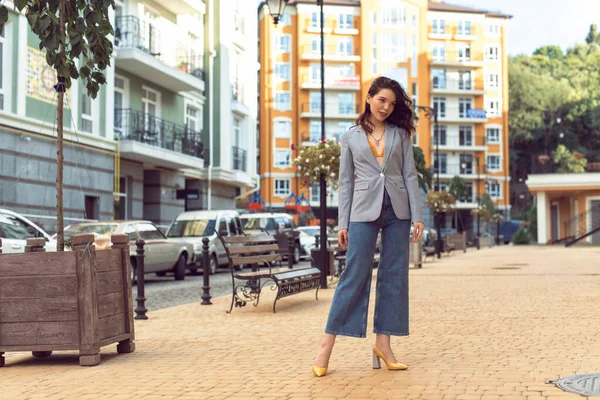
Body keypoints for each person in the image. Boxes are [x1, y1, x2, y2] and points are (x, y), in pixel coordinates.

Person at [312, 76, 424, 377]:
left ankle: (383, 345)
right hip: (362, 210)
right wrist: (342, 222)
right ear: (369, 98)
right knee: (353, 274)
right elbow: (345, 182)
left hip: (398, 210)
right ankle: (326, 346)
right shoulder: (350, 137)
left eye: (391, 103)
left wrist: (417, 215)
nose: (386, 107)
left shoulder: (400, 135)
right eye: (381, 100)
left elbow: (410, 176)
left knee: (394, 275)